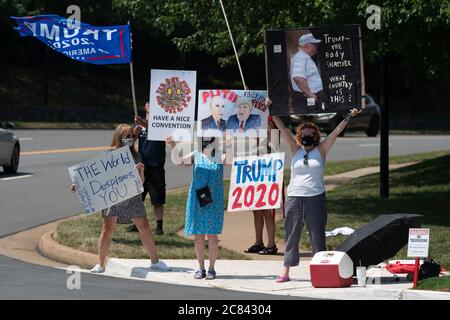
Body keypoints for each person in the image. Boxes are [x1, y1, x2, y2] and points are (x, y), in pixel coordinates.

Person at [267, 98, 359, 283]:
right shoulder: (295, 149)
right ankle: (285, 271)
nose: (307, 137)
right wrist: (272, 110)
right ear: (300, 136)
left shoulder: (321, 150)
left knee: (317, 233)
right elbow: (283, 129)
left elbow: (336, 131)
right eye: (304, 134)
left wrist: (349, 116)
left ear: (316, 137)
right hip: (294, 196)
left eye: (311, 134)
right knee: (292, 233)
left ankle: (320, 270)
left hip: (315, 197)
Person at [69, 124, 170, 273]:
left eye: (131, 136)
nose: (129, 139)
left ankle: (154, 261)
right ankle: (100, 264)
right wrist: (80, 185)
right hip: (112, 198)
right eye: (126, 136)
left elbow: (140, 183)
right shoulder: (108, 154)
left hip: (132, 198)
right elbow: (97, 177)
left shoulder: (136, 155)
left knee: (145, 229)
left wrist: (140, 172)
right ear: (118, 137)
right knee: (107, 230)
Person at [167, 135, 229, 280]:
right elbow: (180, 162)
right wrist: (173, 145)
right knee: (199, 235)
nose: (207, 141)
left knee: (213, 235)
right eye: (204, 139)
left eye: (210, 139)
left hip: (214, 201)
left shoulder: (221, 155)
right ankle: (200, 268)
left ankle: (212, 269)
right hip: (197, 199)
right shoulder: (196, 154)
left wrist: (230, 139)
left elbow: (231, 160)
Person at [129, 102, 166, 235]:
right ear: (145, 106)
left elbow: (155, 128)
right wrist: (134, 134)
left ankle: (159, 227)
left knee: (157, 199)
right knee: (138, 196)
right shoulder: (139, 124)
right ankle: (135, 224)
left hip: (156, 165)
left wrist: (143, 123)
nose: (152, 106)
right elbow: (128, 143)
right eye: (150, 104)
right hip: (142, 165)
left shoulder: (162, 122)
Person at [245, 118, 278, 255]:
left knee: (266, 210)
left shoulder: (272, 133)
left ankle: (271, 243)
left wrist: (267, 118)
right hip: (255, 173)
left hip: (268, 173)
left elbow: (273, 136)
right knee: (256, 209)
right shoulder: (255, 133)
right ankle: (258, 241)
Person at [290, 33, 323, 112]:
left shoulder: (304, 57)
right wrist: (309, 94)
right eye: (314, 45)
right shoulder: (301, 57)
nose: (316, 47)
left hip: (308, 97)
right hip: (306, 98)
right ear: (306, 45)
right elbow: (298, 77)